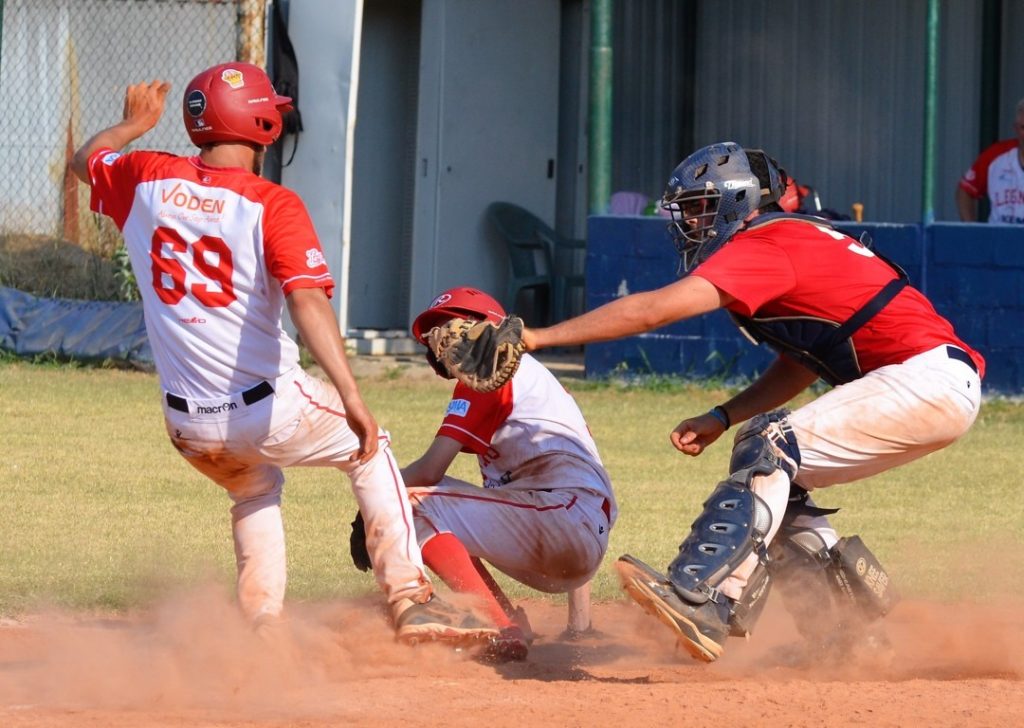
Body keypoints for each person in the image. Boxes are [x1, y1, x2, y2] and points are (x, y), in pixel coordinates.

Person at [69, 64, 497, 648]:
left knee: (253, 488)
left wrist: (132, 124)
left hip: (186, 425)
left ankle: (262, 624)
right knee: (372, 453)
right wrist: (352, 396)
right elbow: (308, 305)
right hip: (269, 409)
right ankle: (410, 597)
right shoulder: (272, 203)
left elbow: (85, 160)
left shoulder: (144, 177)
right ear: (261, 122)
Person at [519, 141, 983, 663]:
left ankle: (707, 599)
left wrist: (536, 338)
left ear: (737, 201)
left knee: (770, 445)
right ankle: (850, 639)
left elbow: (654, 311)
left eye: (700, 206)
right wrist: (722, 416)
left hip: (926, 379)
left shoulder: (768, 242)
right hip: (933, 381)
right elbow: (802, 364)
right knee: (780, 478)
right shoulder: (788, 240)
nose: (689, 221)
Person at [401, 286, 617, 660]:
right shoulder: (539, 385)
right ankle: (510, 621)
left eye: (456, 327)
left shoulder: (493, 372)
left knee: (408, 501)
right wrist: (578, 625)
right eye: (438, 333)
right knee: (451, 520)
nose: (445, 340)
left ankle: (501, 628)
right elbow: (573, 492)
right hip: (575, 532)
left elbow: (429, 470)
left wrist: (374, 488)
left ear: (491, 329)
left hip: (562, 522)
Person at [957, 98, 1024, 223]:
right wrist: (971, 230)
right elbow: (965, 191)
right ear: (1015, 128)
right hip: (997, 239)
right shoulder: (996, 155)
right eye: (1023, 128)